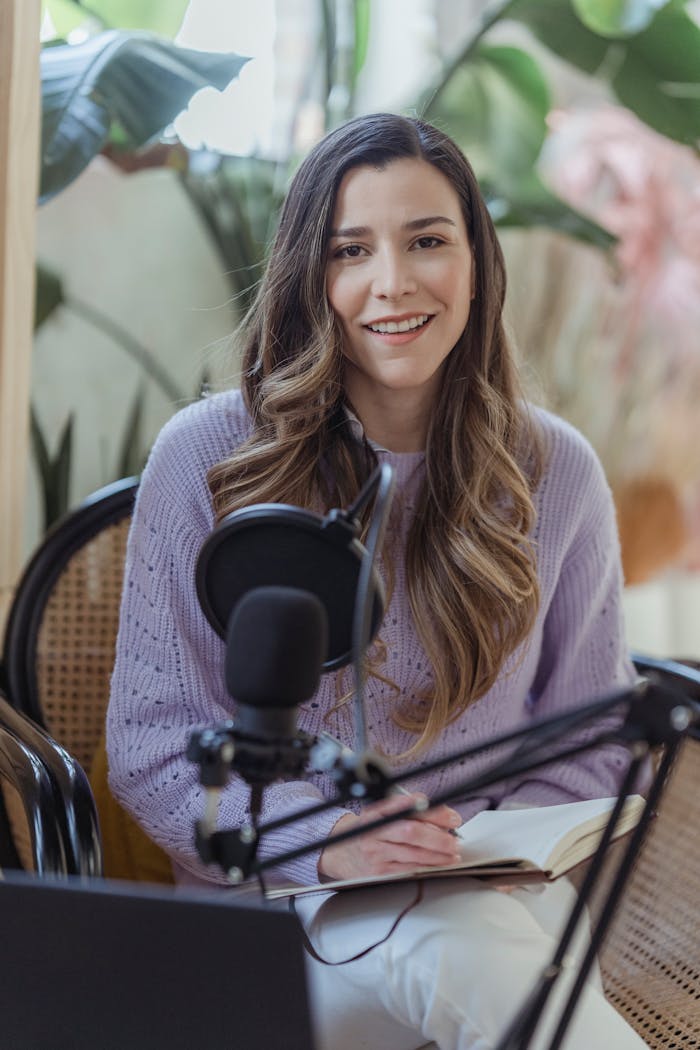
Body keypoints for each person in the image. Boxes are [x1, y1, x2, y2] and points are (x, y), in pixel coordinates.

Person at [107, 113, 649, 1050]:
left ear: (477, 262)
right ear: (308, 278)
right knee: (440, 940)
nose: (392, 282)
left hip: (498, 895)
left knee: (455, 930)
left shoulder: (556, 472)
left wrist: (447, 844)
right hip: (284, 906)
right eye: (350, 250)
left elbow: (596, 738)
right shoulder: (207, 459)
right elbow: (151, 744)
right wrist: (329, 840)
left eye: (428, 241)